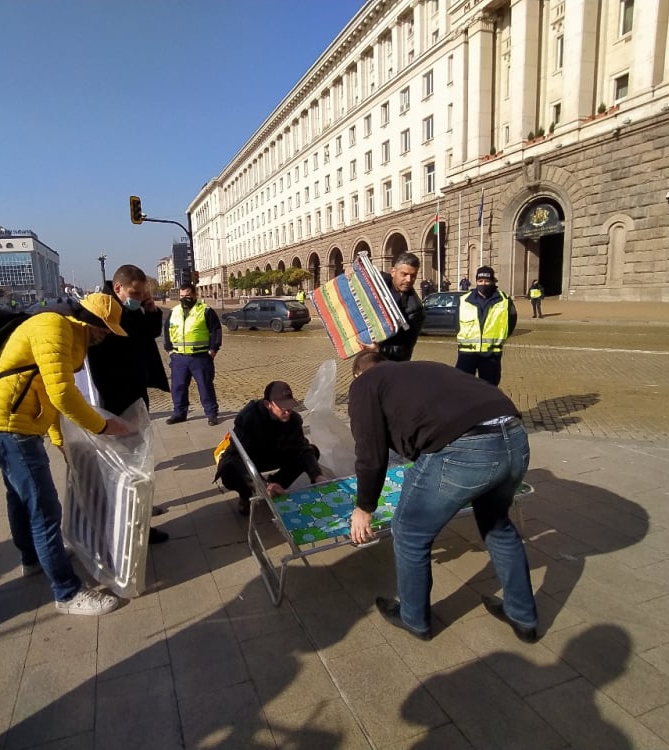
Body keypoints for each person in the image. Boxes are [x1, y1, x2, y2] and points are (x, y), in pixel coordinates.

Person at [348, 351, 537, 643]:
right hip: (514, 435)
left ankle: (414, 619)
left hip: (466, 449)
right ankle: (523, 616)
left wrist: (365, 506)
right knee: (497, 525)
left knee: (409, 532)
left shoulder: (364, 383)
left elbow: (370, 450)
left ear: (358, 375)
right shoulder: (421, 368)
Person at [0, 293, 134, 617]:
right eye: (105, 331)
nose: (104, 339)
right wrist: (102, 427)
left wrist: (61, 442)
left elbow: (47, 393)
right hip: (10, 428)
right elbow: (62, 392)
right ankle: (68, 592)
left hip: (11, 426)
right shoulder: (54, 326)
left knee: (20, 499)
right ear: (93, 323)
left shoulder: (65, 332)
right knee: (44, 509)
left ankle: (32, 559)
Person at [87, 264, 172, 545]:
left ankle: (142, 511)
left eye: (143, 293)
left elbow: (148, 334)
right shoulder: (105, 313)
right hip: (114, 402)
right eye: (135, 293)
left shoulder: (129, 309)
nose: (138, 297)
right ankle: (136, 529)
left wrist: (150, 308)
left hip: (135, 397)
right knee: (126, 470)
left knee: (138, 463)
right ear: (118, 287)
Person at [215, 381, 325, 516]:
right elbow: (238, 456)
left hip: (275, 454)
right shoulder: (249, 417)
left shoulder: (294, 419)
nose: (288, 411)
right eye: (282, 407)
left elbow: (303, 449)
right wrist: (262, 484)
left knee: (311, 452)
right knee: (228, 470)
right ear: (268, 404)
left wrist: (317, 475)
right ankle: (246, 495)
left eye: (289, 405)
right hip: (250, 457)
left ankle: (276, 485)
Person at [163, 282, 222, 426]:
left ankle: (211, 413)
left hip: (200, 357)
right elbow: (166, 331)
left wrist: (213, 350)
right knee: (178, 387)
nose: (184, 298)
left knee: (205, 385)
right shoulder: (174, 311)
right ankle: (179, 413)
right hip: (179, 358)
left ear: (195, 295)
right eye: (182, 296)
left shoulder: (205, 310)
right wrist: (170, 351)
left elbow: (216, 331)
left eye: (188, 295)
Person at [455, 265, 517, 386]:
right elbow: (456, 324)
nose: (483, 284)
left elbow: (511, 323)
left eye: (487, 281)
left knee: (489, 389)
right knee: (462, 388)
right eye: (480, 281)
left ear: (493, 281)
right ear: (476, 281)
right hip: (466, 354)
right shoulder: (464, 300)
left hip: (491, 355)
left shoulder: (504, 300)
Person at [362, 252, 424, 362]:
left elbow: (405, 350)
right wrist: (350, 271)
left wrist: (379, 349)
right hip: (365, 355)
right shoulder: (377, 279)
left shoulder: (416, 309)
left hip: (389, 363)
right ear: (393, 272)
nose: (409, 280)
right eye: (404, 274)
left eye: (413, 276)